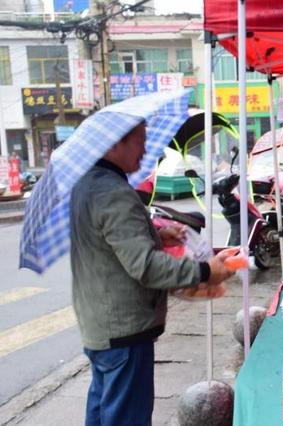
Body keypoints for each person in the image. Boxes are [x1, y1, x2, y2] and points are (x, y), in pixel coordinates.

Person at [69, 122, 235, 425]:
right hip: (123, 330)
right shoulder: (113, 193)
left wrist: (158, 237)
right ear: (113, 144)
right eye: (139, 142)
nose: (145, 150)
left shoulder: (87, 184)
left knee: (103, 411)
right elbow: (145, 266)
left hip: (100, 325)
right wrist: (204, 271)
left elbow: (107, 246)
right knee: (126, 417)